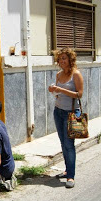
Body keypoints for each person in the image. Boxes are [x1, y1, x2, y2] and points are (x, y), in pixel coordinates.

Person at [48, 47, 84, 188]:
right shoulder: (58, 74)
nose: (61, 61)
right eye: (59, 58)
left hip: (71, 113)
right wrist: (53, 90)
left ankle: (71, 177)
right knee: (63, 143)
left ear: (70, 59)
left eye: (64, 58)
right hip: (58, 112)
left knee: (69, 145)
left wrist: (60, 90)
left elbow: (79, 94)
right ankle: (67, 170)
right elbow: (57, 94)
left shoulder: (76, 74)